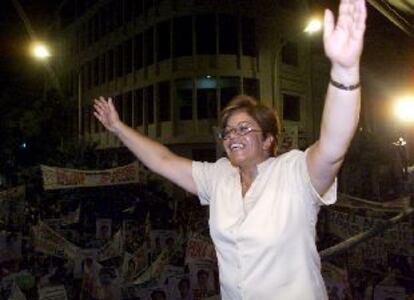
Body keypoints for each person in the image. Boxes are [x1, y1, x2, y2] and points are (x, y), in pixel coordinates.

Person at [93, 0, 366, 298]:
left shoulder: (294, 172)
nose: (232, 135)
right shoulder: (219, 176)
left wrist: (345, 69)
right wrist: (119, 127)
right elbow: (163, 159)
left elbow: (333, 146)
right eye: (228, 130)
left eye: (244, 128)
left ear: (268, 140)